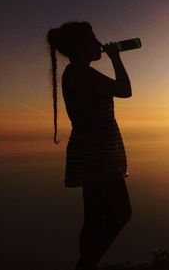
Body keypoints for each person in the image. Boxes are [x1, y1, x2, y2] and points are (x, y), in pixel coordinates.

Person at [47, 21, 132, 270]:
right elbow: (124, 90)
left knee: (95, 217)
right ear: (80, 45)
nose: (99, 43)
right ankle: (86, 265)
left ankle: (85, 265)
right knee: (120, 213)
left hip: (93, 151)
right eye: (93, 38)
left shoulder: (77, 72)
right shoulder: (79, 73)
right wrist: (116, 58)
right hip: (97, 154)